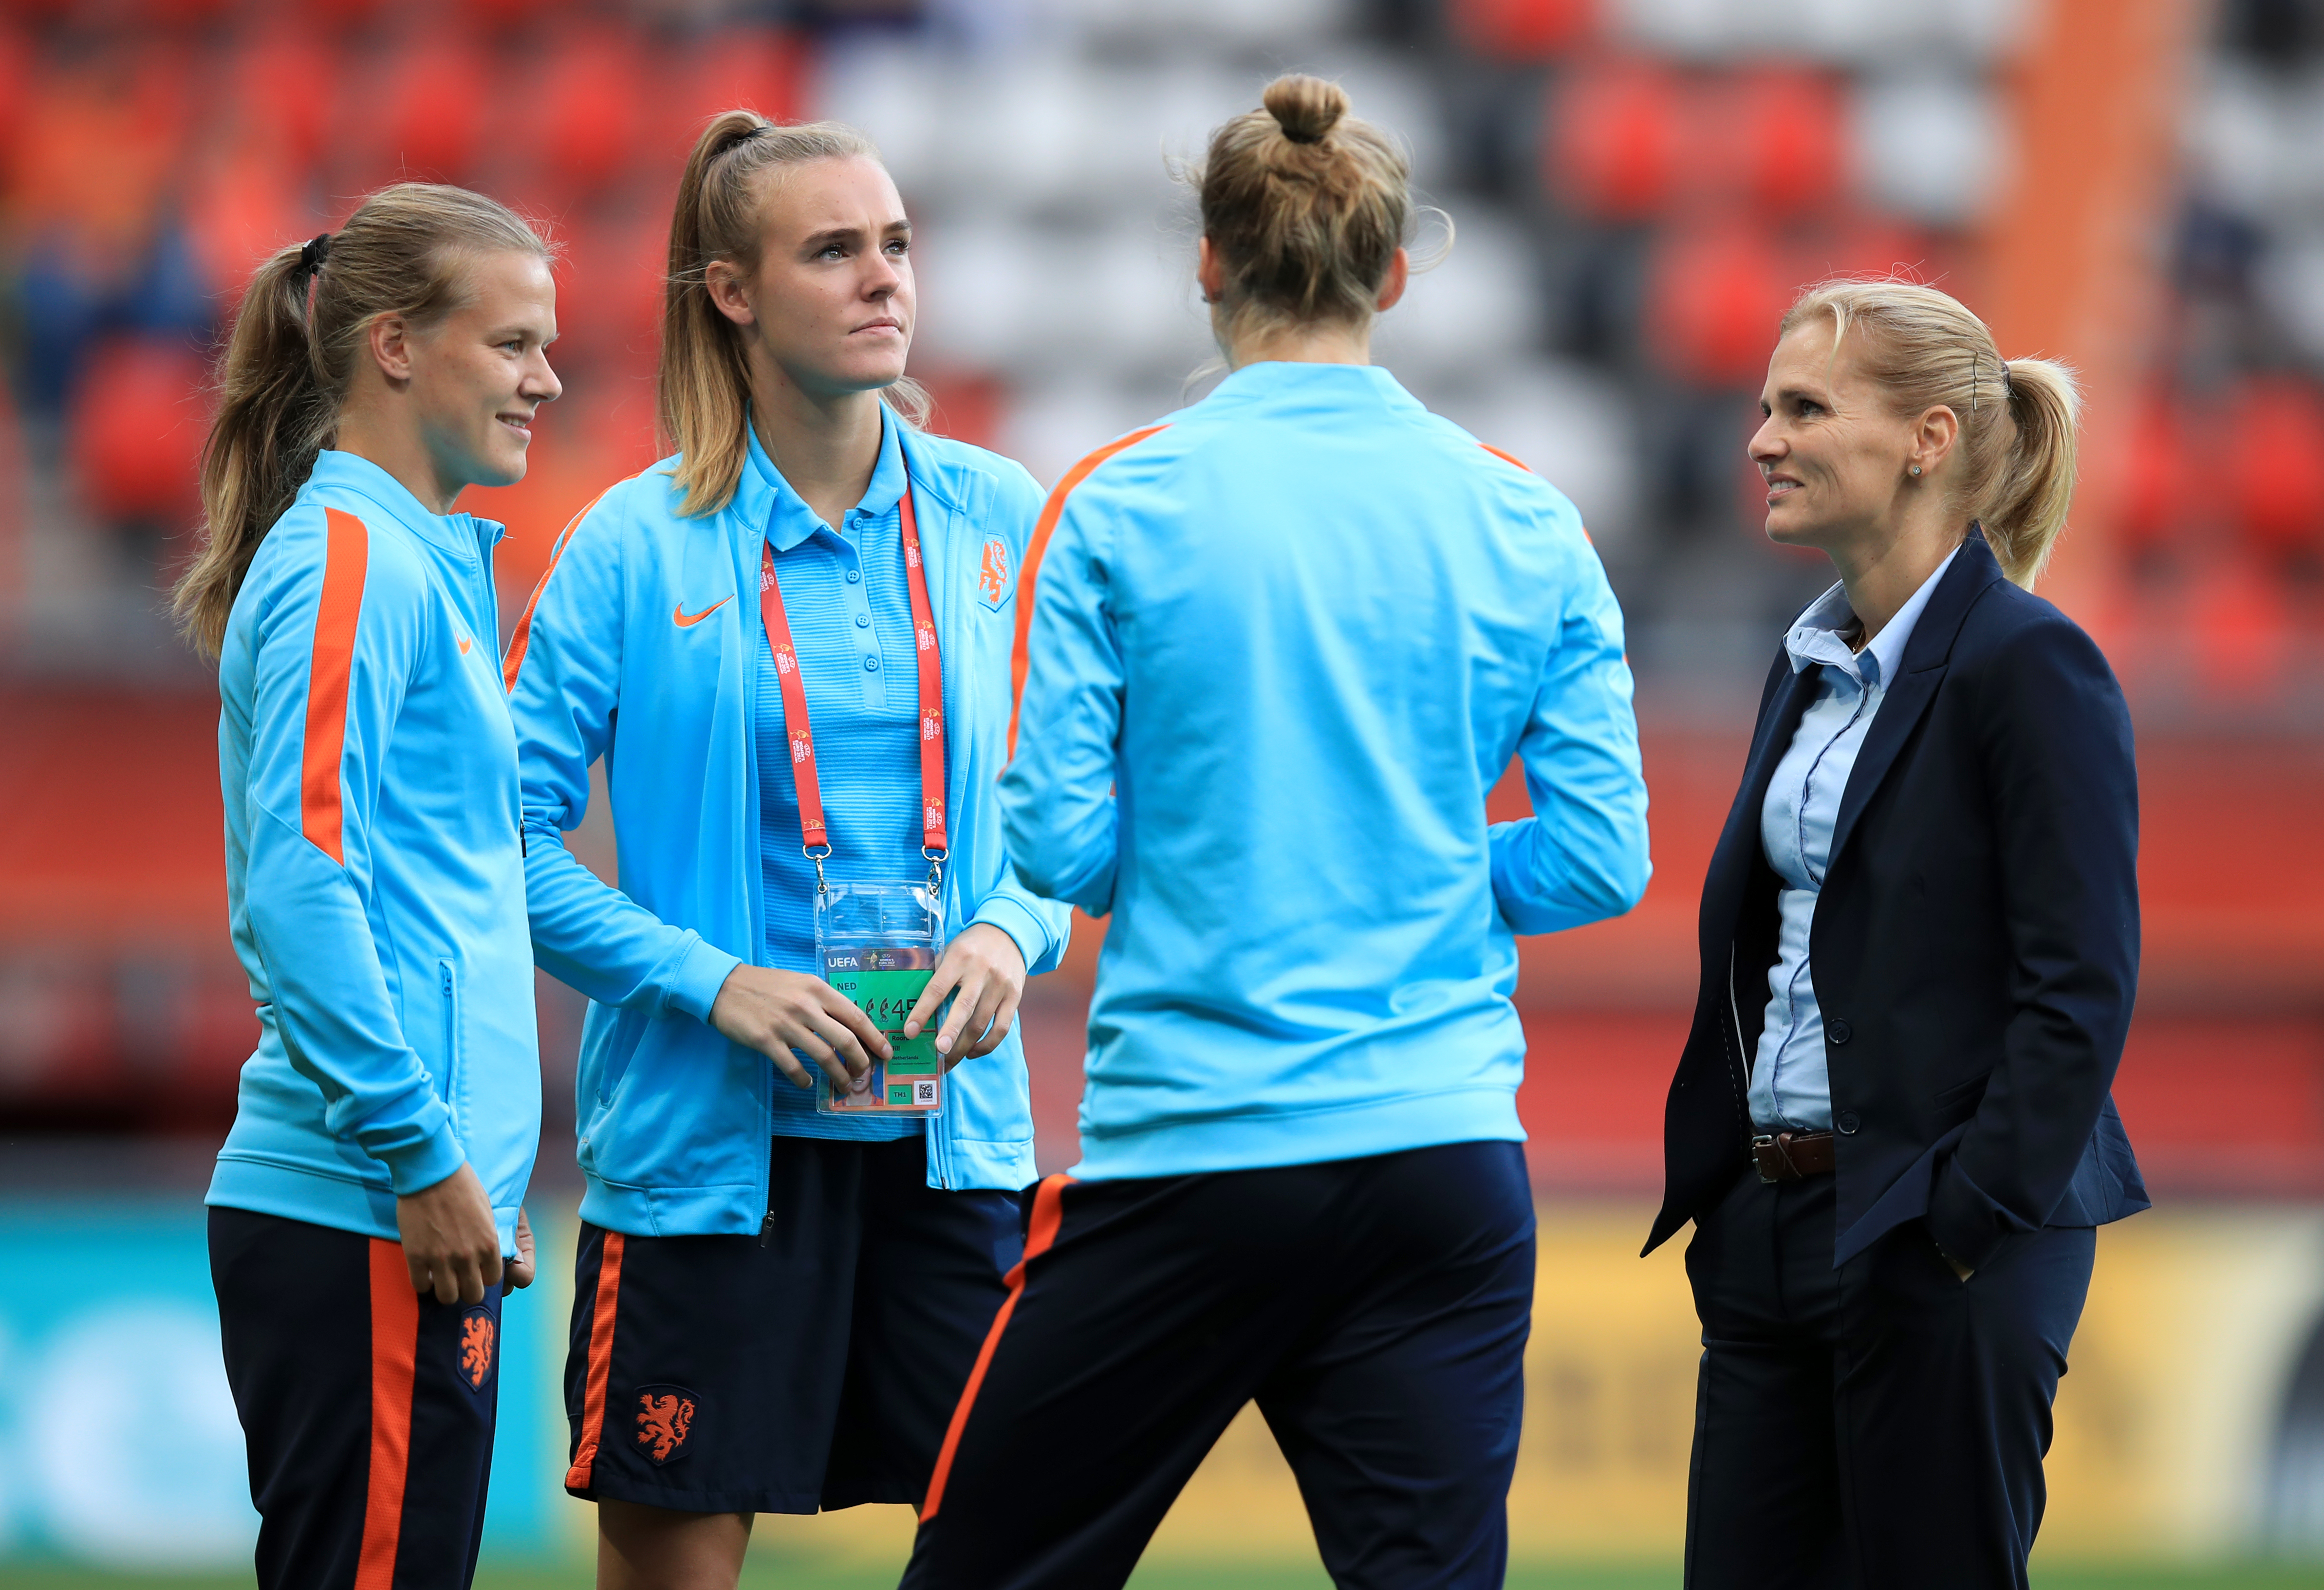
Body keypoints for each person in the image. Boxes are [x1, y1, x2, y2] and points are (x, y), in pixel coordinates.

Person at [902, 75, 1652, 1590]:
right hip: (1443, 1152)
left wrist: (1212, 869)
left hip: (1197, 1147)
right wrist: (1416, 876)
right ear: (1390, 273)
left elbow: (1050, 841)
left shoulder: (1118, 502)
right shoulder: (1524, 515)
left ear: (1206, 264)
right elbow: (1599, 857)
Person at [502, 113, 1071, 1589]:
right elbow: (502, 842)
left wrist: (1011, 929)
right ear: (732, 292)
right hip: (707, 1163)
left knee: (1015, 1553)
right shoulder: (628, 547)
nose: (886, 280)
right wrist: (712, 984)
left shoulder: (1003, 516)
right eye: (835, 250)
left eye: (896, 245)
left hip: (954, 1152)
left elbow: (1079, 811)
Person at [1645, 278, 2149, 1589]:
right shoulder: (1805, 661)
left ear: (1928, 437)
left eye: (1804, 407)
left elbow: (2080, 987)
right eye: (1764, 408)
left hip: (1936, 1235)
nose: (1761, 440)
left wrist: (1962, 1219)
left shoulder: (2032, 663)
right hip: (1771, 1226)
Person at [181, 184, 561, 1590]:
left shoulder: (408, 559)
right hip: (368, 1202)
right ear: (394, 345)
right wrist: (418, 1148)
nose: (549, 377)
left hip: (413, 1207)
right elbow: (298, 881)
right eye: (514, 342)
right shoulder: (351, 558)